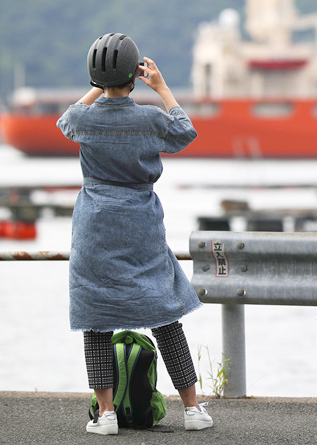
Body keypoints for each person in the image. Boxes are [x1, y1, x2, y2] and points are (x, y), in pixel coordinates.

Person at [57, 33, 213, 435]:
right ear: (134, 76)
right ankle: (193, 409)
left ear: (95, 77)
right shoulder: (149, 119)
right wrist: (160, 87)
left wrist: (95, 90)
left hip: (94, 226)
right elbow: (184, 131)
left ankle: (106, 415)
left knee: (96, 320)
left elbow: (66, 119)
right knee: (165, 314)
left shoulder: (84, 119)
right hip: (141, 224)